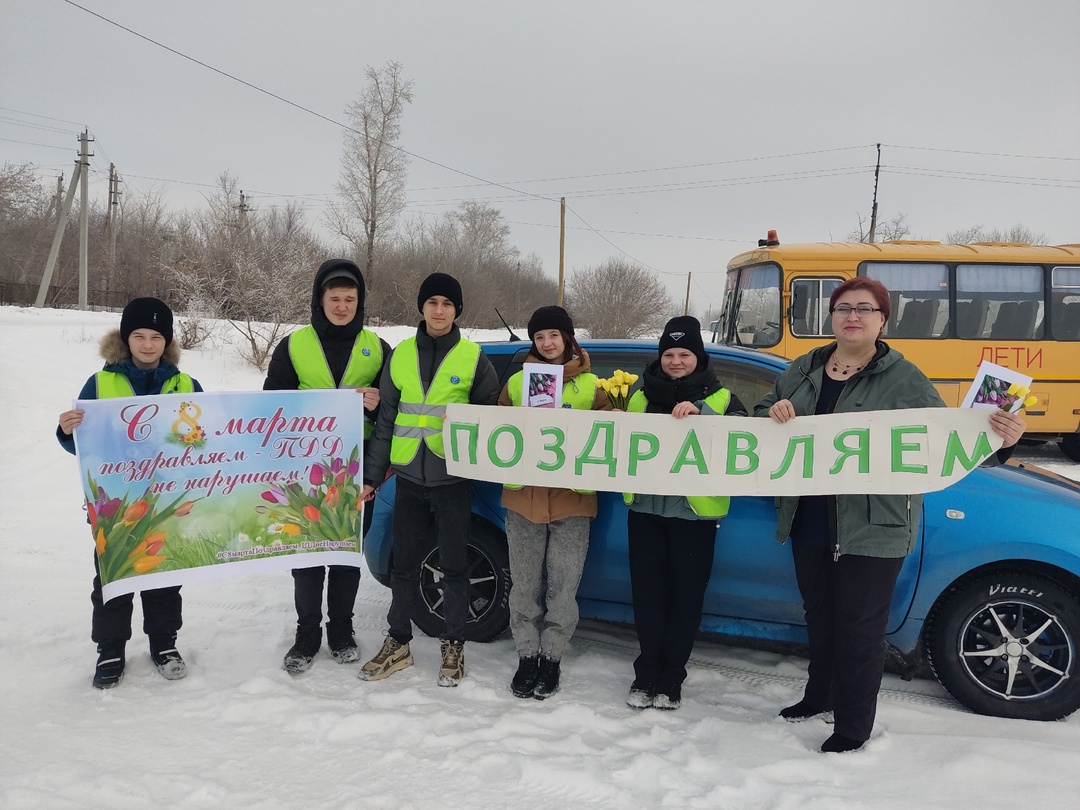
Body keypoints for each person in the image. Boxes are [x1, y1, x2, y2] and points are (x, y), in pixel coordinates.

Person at [755, 277, 1026, 753]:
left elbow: (948, 438)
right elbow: (760, 416)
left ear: (882, 320)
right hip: (808, 517)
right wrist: (772, 410)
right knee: (819, 617)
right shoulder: (803, 369)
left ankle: (853, 725)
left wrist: (1000, 439)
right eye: (842, 308)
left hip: (874, 525)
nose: (852, 316)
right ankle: (819, 696)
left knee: (860, 628)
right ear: (831, 317)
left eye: (864, 308)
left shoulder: (905, 378)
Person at [358, 272, 501, 687]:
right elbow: (386, 421)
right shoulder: (400, 354)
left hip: (453, 479)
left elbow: (490, 421)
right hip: (406, 477)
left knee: (454, 566)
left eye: (447, 304)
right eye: (433, 302)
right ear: (421, 307)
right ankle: (398, 641)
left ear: (457, 311)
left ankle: (453, 644)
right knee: (404, 564)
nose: (439, 310)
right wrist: (371, 476)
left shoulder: (474, 358)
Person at [57, 297, 203, 689]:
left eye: (157, 336)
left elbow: (206, 441)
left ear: (167, 341)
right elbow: (82, 447)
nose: (148, 344)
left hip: (166, 500)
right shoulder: (101, 382)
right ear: (126, 338)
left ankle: (164, 645)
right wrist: (68, 430)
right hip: (115, 503)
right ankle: (110, 650)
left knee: (164, 575)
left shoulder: (186, 385)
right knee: (113, 577)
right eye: (138, 335)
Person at [264, 259, 390, 674]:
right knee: (307, 555)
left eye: (349, 299)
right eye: (334, 298)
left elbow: (393, 415)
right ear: (320, 299)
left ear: (360, 302)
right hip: (305, 473)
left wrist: (378, 405)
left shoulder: (377, 347)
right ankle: (306, 634)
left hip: (356, 475)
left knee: (345, 556)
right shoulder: (294, 345)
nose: (341, 306)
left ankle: (341, 630)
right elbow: (270, 407)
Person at [623, 316, 747, 710]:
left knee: (685, 600)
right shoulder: (638, 397)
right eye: (669, 354)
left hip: (695, 517)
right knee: (647, 598)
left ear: (699, 356)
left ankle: (671, 679)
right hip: (645, 510)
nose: (676, 361)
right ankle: (645, 676)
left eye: (684, 354)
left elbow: (747, 442)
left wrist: (703, 421)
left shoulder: (722, 400)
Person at [498, 306, 613, 700]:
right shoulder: (516, 384)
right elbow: (493, 431)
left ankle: (552, 658)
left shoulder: (592, 387)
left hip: (572, 501)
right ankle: (527, 655)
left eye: (554, 335)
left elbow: (614, 434)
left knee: (563, 588)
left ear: (568, 338)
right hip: (523, 498)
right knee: (525, 585)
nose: (547, 343)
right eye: (540, 337)